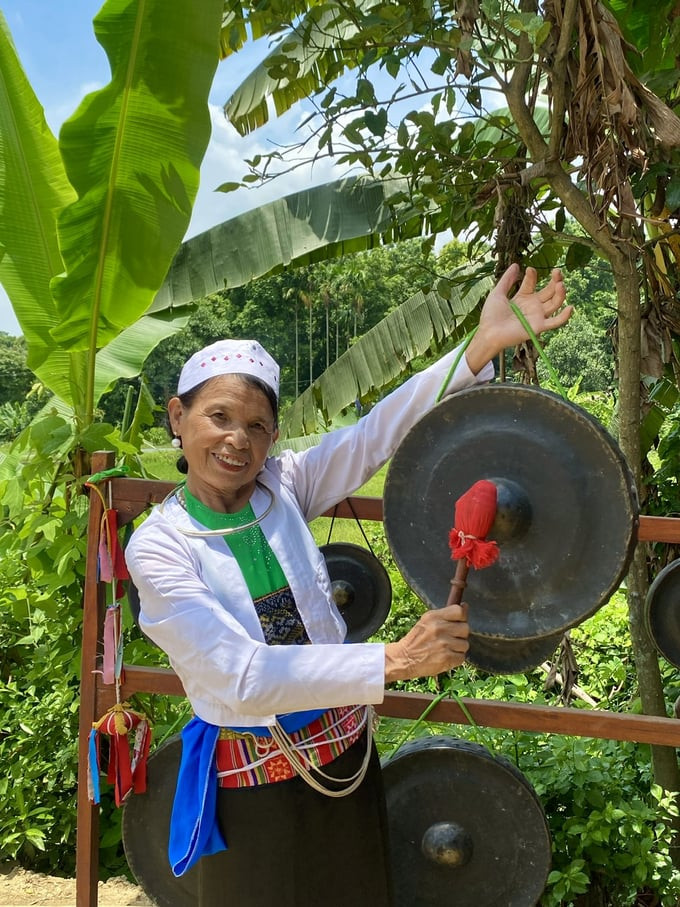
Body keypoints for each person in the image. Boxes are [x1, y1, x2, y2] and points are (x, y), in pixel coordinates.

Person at [125, 263, 572, 906]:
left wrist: (478, 349)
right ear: (178, 417)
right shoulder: (160, 546)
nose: (237, 440)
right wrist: (397, 659)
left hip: (343, 754)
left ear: (273, 436)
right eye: (219, 416)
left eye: (256, 426)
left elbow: (375, 434)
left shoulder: (283, 487)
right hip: (253, 777)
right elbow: (241, 677)